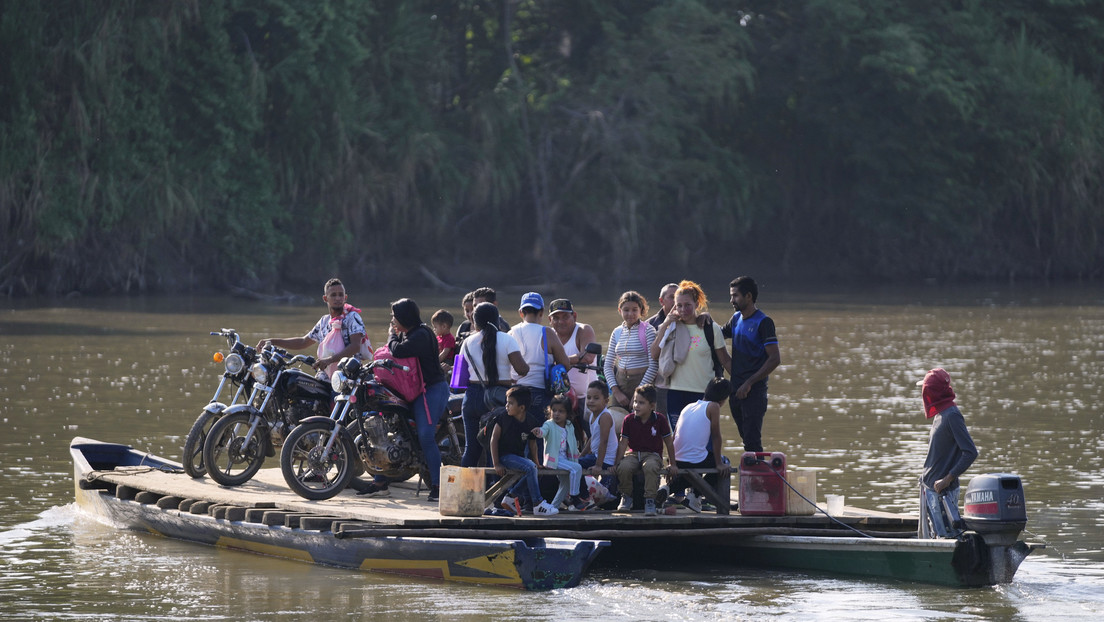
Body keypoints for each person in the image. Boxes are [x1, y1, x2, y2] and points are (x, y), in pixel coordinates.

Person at [357, 298, 448, 502]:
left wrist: (391, 335)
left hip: (431, 389)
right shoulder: (409, 333)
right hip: (413, 388)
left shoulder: (422, 334)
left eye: (394, 316)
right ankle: (379, 482)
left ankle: (438, 486)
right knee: (387, 429)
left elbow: (398, 350)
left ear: (404, 317)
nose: (392, 320)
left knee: (425, 436)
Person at [650, 280, 731, 430]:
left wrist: (742, 383)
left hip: (703, 394)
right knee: (679, 439)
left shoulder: (710, 328)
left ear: (696, 305)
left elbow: (725, 360)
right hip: (675, 393)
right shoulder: (671, 327)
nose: (683, 309)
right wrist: (665, 325)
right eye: (679, 305)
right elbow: (654, 354)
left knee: (703, 440)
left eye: (687, 305)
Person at [255, 277, 369, 380]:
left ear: (345, 297)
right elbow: (303, 342)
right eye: (333, 295)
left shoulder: (352, 317)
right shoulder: (324, 322)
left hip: (348, 376)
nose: (338, 298)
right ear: (325, 298)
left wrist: (329, 360)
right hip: (325, 374)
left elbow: (355, 346)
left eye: (340, 295)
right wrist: (271, 341)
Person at [458, 302, 528, 467]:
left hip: (472, 397)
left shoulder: (466, 343)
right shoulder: (507, 340)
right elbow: (522, 369)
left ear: (475, 322)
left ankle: (462, 490)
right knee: (495, 448)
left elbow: (460, 377)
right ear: (497, 320)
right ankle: (494, 492)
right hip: (497, 398)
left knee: (472, 449)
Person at [722, 276, 780, 453]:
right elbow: (718, 334)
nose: (732, 300)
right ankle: (754, 475)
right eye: (731, 296)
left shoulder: (764, 322)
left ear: (748, 296)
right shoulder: (736, 318)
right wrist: (703, 320)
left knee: (752, 441)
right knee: (746, 440)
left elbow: (774, 359)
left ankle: (759, 477)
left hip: (754, 392)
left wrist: (749, 383)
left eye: (735, 296)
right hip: (736, 390)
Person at [917, 368, 978, 538]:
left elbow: (970, 452)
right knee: (936, 537)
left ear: (933, 392)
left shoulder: (952, 415)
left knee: (949, 538)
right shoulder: (940, 414)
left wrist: (946, 480)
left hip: (943, 494)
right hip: (930, 491)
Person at [492, 386, 560, 516]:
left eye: (510, 403)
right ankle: (537, 503)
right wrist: (496, 463)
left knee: (534, 469)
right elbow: (493, 440)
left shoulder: (531, 421)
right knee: (530, 468)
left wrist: (537, 463)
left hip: (518, 458)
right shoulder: (503, 418)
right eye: (507, 402)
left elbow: (533, 443)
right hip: (504, 457)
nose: (507, 406)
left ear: (521, 408)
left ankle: (512, 496)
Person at [614, 384, 678, 516]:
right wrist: (617, 463)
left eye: (641, 403)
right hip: (633, 453)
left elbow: (669, 443)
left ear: (652, 406)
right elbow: (623, 443)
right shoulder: (629, 420)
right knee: (624, 467)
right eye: (635, 401)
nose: (636, 405)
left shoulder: (660, 420)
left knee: (650, 467)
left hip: (652, 455)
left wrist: (673, 463)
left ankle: (650, 500)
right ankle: (627, 496)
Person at [670, 377, 732, 513]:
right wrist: (719, 463)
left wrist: (671, 460)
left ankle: (666, 489)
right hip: (694, 460)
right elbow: (716, 436)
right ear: (723, 398)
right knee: (724, 462)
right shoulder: (713, 406)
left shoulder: (689, 406)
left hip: (677, 458)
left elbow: (674, 436)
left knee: (694, 465)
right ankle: (695, 496)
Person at [509, 292, 571, 427]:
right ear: (542, 312)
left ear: (521, 312)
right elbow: (565, 364)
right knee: (539, 439)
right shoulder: (547, 332)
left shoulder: (511, 332)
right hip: (540, 393)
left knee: (518, 438)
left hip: (515, 394)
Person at [531, 395, 592, 511]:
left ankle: (553, 508)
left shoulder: (569, 425)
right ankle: (575, 497)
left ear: (567, 413)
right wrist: (538, 432)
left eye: (561, 411)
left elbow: (573, 443)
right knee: (577, 468)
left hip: (566, 459)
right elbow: (543, 431)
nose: (557, 414)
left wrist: (575, 455)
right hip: (554, 460)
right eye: (554, 410)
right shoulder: (549, 424)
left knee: (565, 484)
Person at [604, 291, 658, 417]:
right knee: (617, 425)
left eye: (634, 310)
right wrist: (615, 391)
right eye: (626, 310)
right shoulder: (617, 332)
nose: (630, 314)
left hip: (642, 383)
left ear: (641, 310)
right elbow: (608, 366)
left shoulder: (648, 330)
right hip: (620, 383)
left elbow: (654, 365)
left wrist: (638, 393)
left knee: (640, 425)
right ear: (620, 310)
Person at [547, 298, 599, 411]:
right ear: (549, 320)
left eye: (565, 317)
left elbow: (588, 357)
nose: (560, 322)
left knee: (589, 427)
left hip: (585, 398)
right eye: (555, 318)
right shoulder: (549, 335)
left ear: (574, 316)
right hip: (558, 398)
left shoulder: (583, 330)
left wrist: (562, 361)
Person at [579, 380, 619, 496]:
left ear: (606, 401)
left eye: (596, 398)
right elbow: (592, 438)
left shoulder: (605, 416)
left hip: (606, 460)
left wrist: (598, 465)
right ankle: (583, 494)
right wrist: (581, 455)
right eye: (589, 397)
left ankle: (583, 495)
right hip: (597, 456)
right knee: (575, 464)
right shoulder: (592, 414)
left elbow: (604, 441)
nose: (591, 401)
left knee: (575, 466)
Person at [647, 283, 679, 414]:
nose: (676, 301)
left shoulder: (690, 320)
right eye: (672, 297)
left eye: (678, 296)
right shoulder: (650, 325)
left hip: (685, 382)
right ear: (661, 301)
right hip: (661, 385)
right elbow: (650, 357)